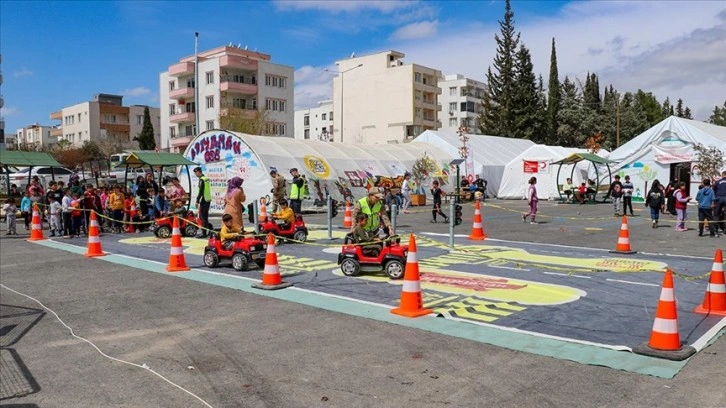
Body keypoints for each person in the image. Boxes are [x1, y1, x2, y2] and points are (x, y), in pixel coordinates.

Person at [194, 167, 212, 237]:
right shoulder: (205, 178)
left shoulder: (202, 180)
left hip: (204, 199)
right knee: (205, 216)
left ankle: (204, 233)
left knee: (202, 217)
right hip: (207, 199)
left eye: (196, 172)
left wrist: (197, 201)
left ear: (199, 171)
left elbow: (201, 191)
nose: (195, 174)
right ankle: (209, 229)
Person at [713, 170, 726, 234]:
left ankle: (716, 229)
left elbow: (714, 189)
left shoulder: (717, 182)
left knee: (717, 214)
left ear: (722, 175)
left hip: (718, 198)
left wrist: (715, 197)